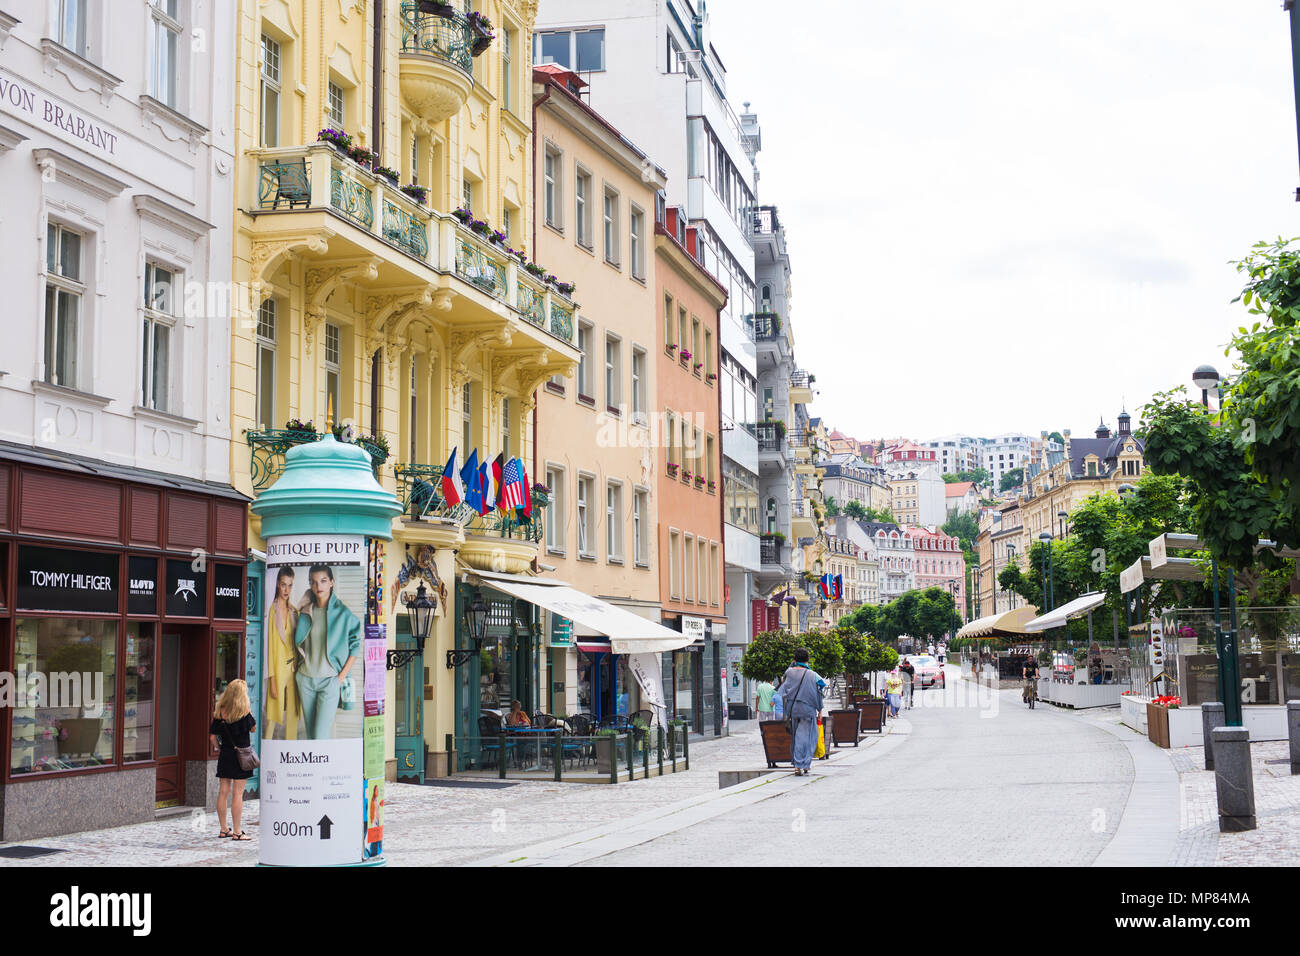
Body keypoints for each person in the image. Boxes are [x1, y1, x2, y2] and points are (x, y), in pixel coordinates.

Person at [294, 564, 361, 740]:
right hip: (305, 678)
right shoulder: (305, 611)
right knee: (310, 735)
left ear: (332, 582)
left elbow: (355, 646)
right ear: (310, 584)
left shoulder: (344, 614)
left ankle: (323, 768)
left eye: (323, 581)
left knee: (320, 736)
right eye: (314, 582)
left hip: (330, 681)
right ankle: (312, 769)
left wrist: (339, 679)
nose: (319, 586)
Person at [210, 679, 257, 841]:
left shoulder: (220, 711)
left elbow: (212, 737)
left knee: (223, 792)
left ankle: (224, 829)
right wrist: (250, 713)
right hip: (242, 756)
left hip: (226, 755)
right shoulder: (244, 712)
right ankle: (237, 832)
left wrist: (220, 748)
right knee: (238, 793)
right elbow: (253, 728)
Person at [264, 567, 301, 740]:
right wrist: (272, 679)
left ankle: (291, 746)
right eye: (283, 585)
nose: (287, 590)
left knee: (293, 713)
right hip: (278, 670)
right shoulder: (272, 611)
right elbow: (271, 647)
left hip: (294, 668)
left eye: (290, 585)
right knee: (272, 715)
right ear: (278, 585)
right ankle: (268, 748)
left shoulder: (295, 612)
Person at [777, 648, 825, 776]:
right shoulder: (812, 675)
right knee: (808, 737)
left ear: (795, 659)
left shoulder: (789, 673)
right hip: (807, 710)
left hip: (793, 709)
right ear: (807, 660)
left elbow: (783, 690)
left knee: (796, 736)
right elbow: (820, 688)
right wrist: (820, 709)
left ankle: (797, 763)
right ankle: (802, 764)